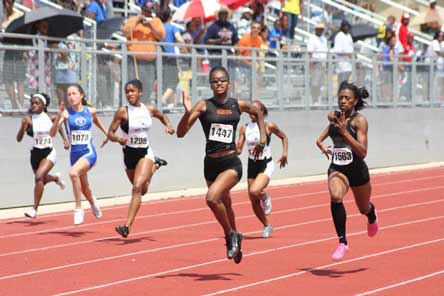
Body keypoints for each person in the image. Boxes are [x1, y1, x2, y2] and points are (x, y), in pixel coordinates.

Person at [177, 66, 266, 264]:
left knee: (211, 198)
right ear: (210, 84)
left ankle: (230, 236)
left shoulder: (237, 104)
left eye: (222, 80)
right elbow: (180, 133)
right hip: (210, 163)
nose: (219, 84)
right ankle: (236, 237)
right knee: (225, 203)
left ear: (228, 82)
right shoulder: (203, 106)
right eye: (215, 81)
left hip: (231, 162)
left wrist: (263, 137)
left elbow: (258, 112)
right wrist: (187, 112)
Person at [316, 81, 378, 261]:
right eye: (340, 98)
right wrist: (320, 142)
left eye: (347, 98)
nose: (343, 101)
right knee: (335, 195)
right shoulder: (334, 116)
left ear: (355, 101)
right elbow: (328, 127)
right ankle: (343, 242)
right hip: (337, 167)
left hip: (357, 170)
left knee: (363, 208)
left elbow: (362, 152)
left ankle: (372, 215)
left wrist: (345, 133)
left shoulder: (360, 121)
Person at [107, 79, 174, 238]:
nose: (129, 94)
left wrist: (169, 125)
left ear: (140, 92)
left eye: (132, 91)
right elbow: (110, 133)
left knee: (136, 187)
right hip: (128, 155)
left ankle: (127, 226)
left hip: (144, 152)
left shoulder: (149, 109)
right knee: (143, 191)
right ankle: (156, 165)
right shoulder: (123, 112)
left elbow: (161, 116)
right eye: (127, 91)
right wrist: (118, 139)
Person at [50, 84, 108, 225]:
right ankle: (93, 203)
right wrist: (58, 117)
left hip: (89, 153)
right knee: (84, 187)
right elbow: (51, 134)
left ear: (81, 95)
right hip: (74, 155)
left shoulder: (90, 111)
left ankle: (78, 209)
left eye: (74, 93)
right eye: (69, 94)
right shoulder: (66, 114)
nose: (71, 97)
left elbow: (98, 123)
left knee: (73, 173)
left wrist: (108, 135)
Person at [236, 100, 288, 238]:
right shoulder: (244, 128)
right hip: (252, 164)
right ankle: (267, 225)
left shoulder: (268, 126)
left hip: (265, 164)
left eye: (255, 109)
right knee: (252, 198)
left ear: (262, 112)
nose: (252, 111)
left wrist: (284, 154)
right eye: (250, 109)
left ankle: (265, 196)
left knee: (255, 191)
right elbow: (239, 149)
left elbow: (284, 137)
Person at [16, 93, 69, 218]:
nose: (33, 105)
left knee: (39, 177)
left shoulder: (50, 117)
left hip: (48, 152)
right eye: (32, 103)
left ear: (43, 105)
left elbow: (58, 126)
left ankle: (34, 209)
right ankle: (56, 179)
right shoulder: (28, 119)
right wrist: (23, 128)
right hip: (35, 153)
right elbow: (18, 139)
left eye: (37, 103)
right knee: (42, 180)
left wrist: (65, 140)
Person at [122, 1, 165, 103]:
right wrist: (138, 20)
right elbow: (125, 32)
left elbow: (161, 35)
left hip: (149, 61)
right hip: (133, 60)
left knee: (147, 84)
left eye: (150, 12)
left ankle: (144, 103)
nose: (148, 13)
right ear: (142, 10)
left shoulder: (156, 21)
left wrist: (150, 23)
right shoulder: (133, 20)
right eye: (146, 11)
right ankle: (130, 104)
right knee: (131, 83)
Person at [1, 0, 25, 110]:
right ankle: (14, 105)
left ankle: (20, 107)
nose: (7, 5)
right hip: (8, 50)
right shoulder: (3, 18)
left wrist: (26, 51)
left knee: (20, 80)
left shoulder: (19, 14)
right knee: (8, 80)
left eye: (9, 2)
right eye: (5, 3)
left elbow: (26, 32)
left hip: (19, 50)